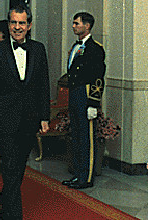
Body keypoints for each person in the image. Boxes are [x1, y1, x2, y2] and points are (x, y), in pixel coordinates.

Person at [0, 4, 50, 219]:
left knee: (19, 165)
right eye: (13, 22)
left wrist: (44, 117)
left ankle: (6, 195)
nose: (17, 27)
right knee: (9, 163)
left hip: (29, 119)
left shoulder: (39, 49)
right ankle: (12, 214)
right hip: (5, 119)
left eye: (22, 23)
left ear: (29, 26)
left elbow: (43, 85)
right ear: (8, 24)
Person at [61, 12, 105, 189]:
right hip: (75, 93)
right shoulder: (75, 46)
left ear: (87, 26)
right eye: (73, 23)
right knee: (78, 136)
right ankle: (78, 173)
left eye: (76, 23)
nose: (73, 26)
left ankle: (86, 177)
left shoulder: (95, 48)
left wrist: (93, 103)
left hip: (86, 95)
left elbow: (98, 77)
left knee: (86, 138)